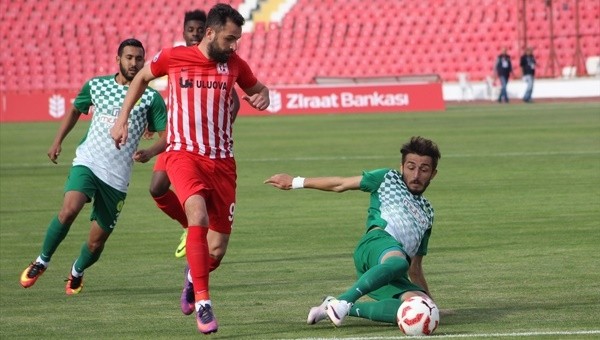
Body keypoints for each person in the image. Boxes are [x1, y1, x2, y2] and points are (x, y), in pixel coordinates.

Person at [110, 4, 269, 334]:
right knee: (197, 216)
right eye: (229, 39)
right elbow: (141, 77)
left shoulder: (235, 64)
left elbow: (258, 89)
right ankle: (204, 301)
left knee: (217, 249)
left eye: (237, 40)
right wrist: (122, 119)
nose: (234, 46)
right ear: (210, 33)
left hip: (223, 162)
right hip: (185, 155)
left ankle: (192, 279)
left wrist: (263, 97)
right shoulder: (173, 57)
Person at [19, 38, 167, 295]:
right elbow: (76, 109)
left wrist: (150, 151)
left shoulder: (151, 98)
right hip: (88, 161)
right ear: (117, 59)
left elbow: (166, 135)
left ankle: (77, 271)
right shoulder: (97, 85)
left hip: (117, 177)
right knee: (69, 209)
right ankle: (41, 260)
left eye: (139, 59)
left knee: (96, 243)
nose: (134, 63)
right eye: (129, 57)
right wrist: (57, 141)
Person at [264, 136, 441, 327]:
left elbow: (414, 268)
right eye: (411, 167)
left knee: (422, 310)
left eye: (424, 170)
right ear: (401, 167)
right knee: (398, 261)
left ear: (433, 174)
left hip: (388, 271)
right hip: (375, 244)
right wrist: (295, 182)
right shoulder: (388, 178)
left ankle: (338, 306)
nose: (416, 175)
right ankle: (345, 300)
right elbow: (340, 184)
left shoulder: (427, 212)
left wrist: (431, 305)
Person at [147, 9, 241, 259]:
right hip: (177, 138)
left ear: (207, 32)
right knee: (156, 188)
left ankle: (194, 227)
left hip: (200, 146)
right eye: (191, 30)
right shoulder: (177, 58)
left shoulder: (220, 62)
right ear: (184, 32)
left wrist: (218, 124)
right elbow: (148, 85)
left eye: (199, 30)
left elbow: (233, 98)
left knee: (196, 208)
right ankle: (190, 225)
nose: (195, 33)